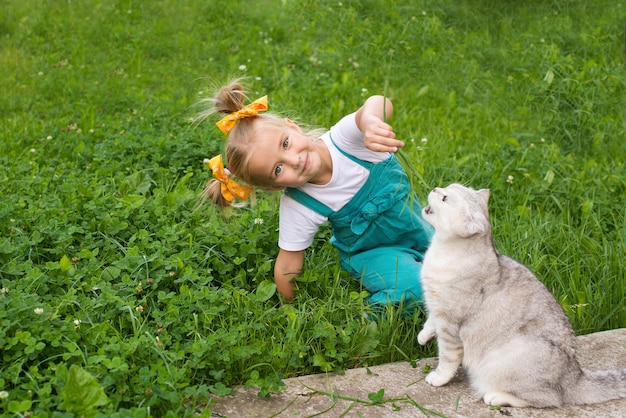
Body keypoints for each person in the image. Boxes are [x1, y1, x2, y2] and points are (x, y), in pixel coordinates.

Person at [198, 79, 432, 309]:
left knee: (465, 257)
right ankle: (373, 318)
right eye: (278, 170)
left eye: (286, 144)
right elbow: (287, 264)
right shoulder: (302, 205)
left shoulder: (346, 141)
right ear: (273, 187)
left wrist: (371, 121)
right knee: (421, 287)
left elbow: (379, 102)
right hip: (375, 254)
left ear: (292, 126)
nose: (295, 160)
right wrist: (290, 311)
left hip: (420, 228)